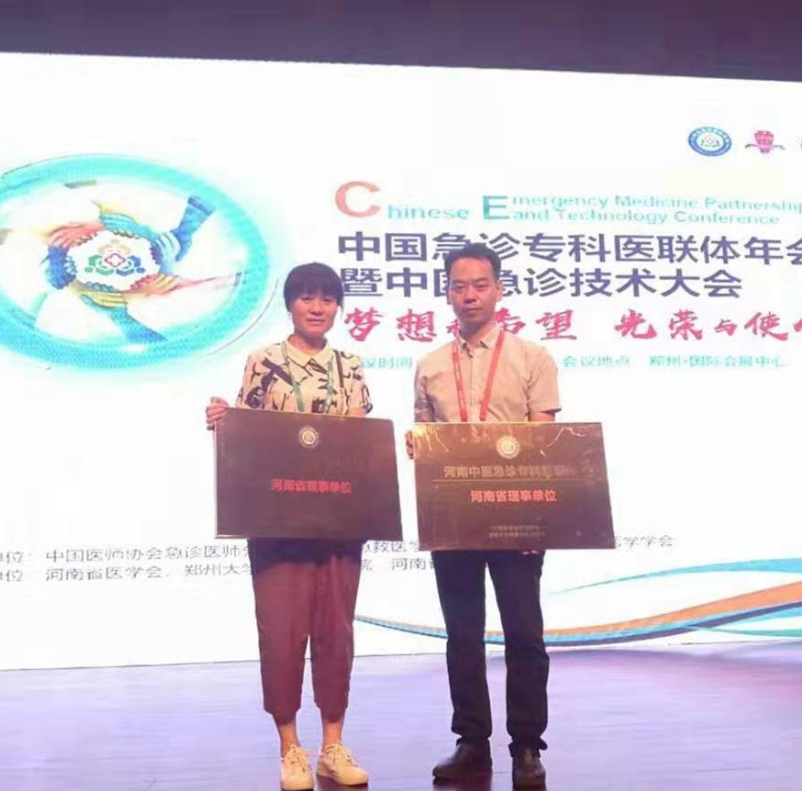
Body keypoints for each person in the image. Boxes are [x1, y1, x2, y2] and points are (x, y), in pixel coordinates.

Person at [206, 262, 373, 791]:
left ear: (338, 307)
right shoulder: (264, 361)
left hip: (338, 522)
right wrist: (223, 419)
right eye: (306, 297)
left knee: (335, 632)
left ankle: (332, 747)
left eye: (327, 298)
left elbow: (359, 440)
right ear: (290, 304)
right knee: (281, 633)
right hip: (277, 524)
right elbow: (247, 433)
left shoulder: (351, 365)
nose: (317, 307)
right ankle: (290, 749)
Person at [407, 243, 559, 789]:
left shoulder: (532, 358)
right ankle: (472, 741)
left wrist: (538, 519)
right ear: (447, 293)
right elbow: (426, 441)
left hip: (515, 517)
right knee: (462, 636)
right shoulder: (429, 365)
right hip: (453, 520)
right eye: (458, 285)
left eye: (479, 284)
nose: (469, 294)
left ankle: (527, 745)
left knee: (524, 634)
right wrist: (417, 446)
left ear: (498, 289)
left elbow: (545, 443)